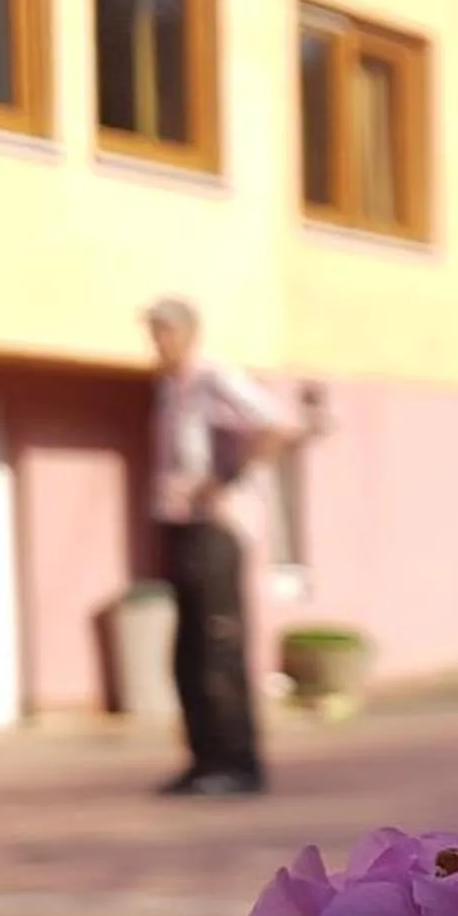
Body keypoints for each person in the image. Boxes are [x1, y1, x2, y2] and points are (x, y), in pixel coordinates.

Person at [144, 297, 307, 797]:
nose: (159, 344)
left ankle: (237, 762)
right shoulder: (171, 389)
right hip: (182, 525)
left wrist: (226, 477)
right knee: (188, 652)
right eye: (154, 334)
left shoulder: (214, 378)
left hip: (217, 526)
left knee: (219, 645)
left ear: (188, 334)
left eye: (165, 333)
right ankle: (203, 759)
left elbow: (279, 424)